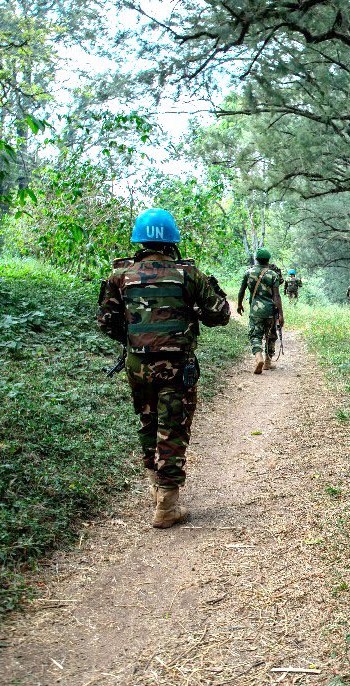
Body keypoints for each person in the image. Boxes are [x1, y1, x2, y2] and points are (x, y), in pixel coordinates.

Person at [97, 208, 230, 529]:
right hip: (177, 365)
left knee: (148, 421)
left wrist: (135, 338)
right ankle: (167, 505)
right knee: (174, 426)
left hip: (138, 364)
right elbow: (220, 315)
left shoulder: (120, 276)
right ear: (172, 241)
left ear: (138, 240)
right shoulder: (189, 275)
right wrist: (196, 308)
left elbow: (107, 322)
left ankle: (157, 488)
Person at [237, 248, 285, 374]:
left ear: (256, 259)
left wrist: (239, 305)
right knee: (271, 335)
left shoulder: (248, 273)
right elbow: (276, 296)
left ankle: (258, 357)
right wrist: (280, 314)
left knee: (255, 334)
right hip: (270, 311)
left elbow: (241, 291)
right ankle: (268, 362)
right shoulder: (273, 275)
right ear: (268, 260)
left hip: (255, 310)